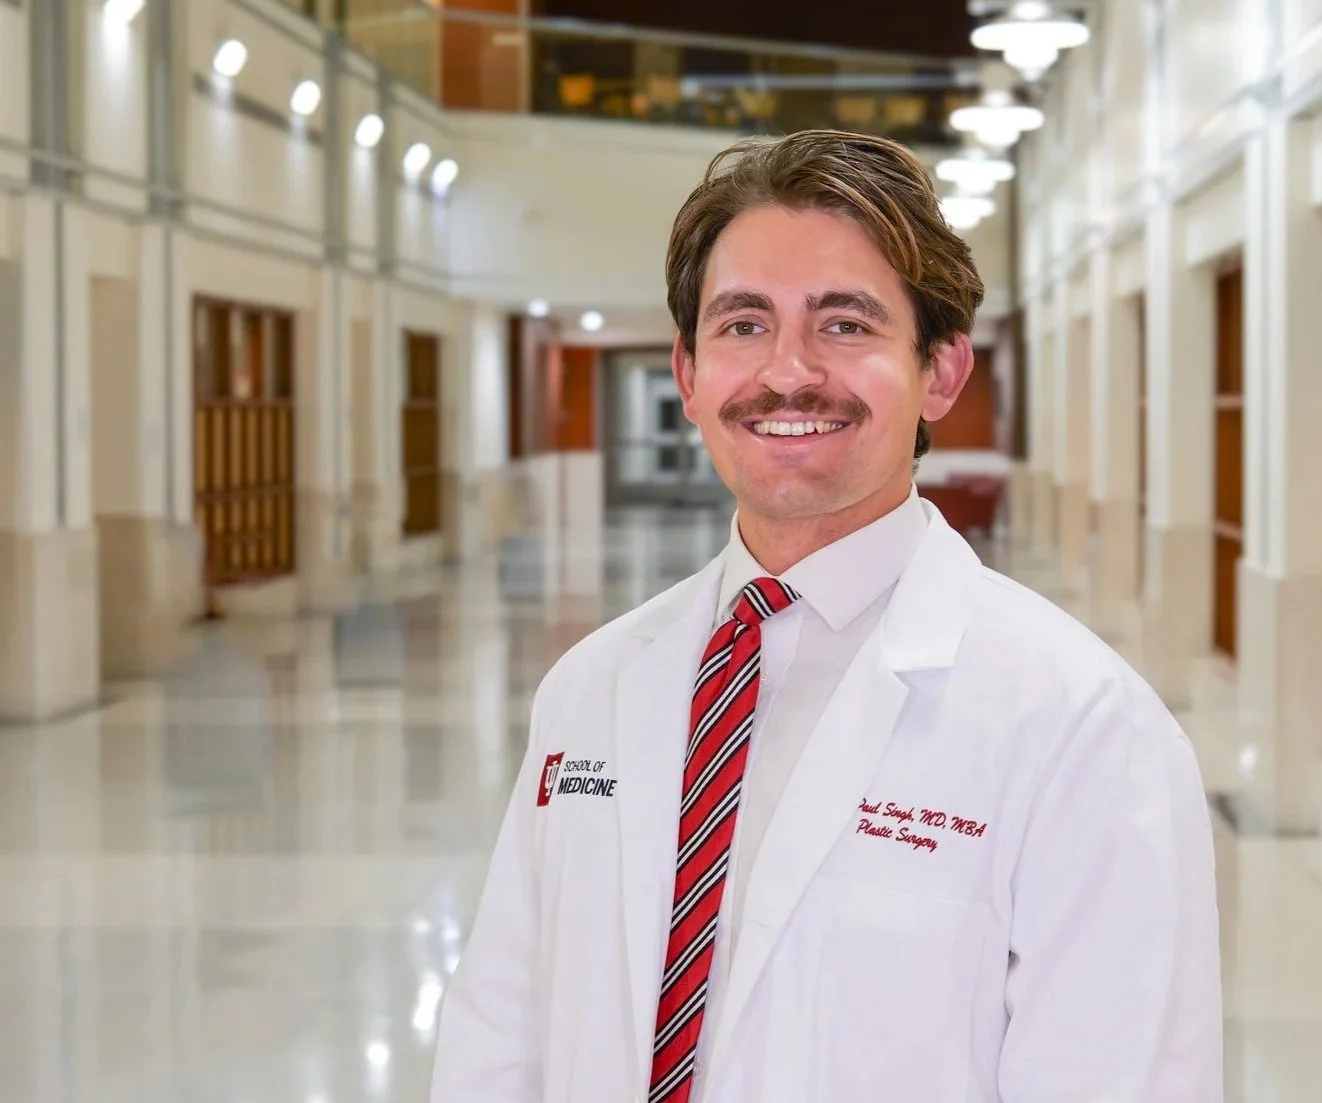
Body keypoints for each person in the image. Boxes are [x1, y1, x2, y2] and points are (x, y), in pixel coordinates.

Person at [431, 129, 1222, 1103]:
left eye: (844, 324)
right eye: (742, 324)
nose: (789, 371)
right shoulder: (589, 688)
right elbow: (500, 1034)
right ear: (687, 372)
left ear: (939, 369)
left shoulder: (1082, 727)